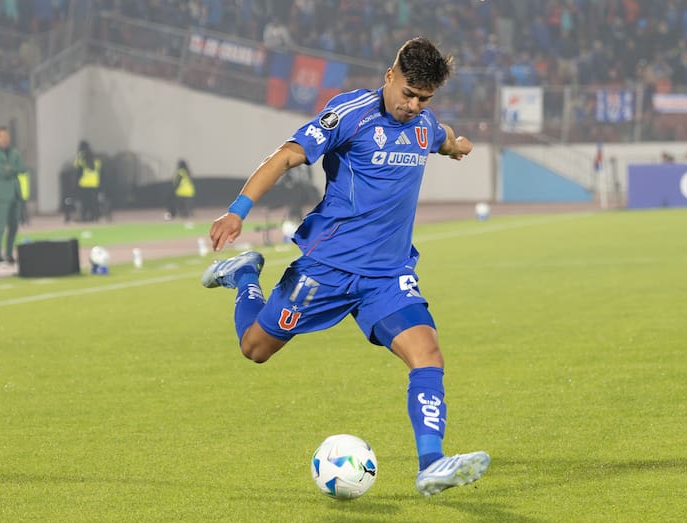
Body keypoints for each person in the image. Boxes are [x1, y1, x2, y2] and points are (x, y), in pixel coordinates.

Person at [202, 37, 490, 497]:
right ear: (389, 76)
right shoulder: (350, 114)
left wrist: (457, 147)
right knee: (255, 348)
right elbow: (286, 155)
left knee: (428, 355)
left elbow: (442, 137)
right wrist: (238, 209)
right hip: (328, 269)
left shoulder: (424, 124)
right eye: (408, 94)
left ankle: (432, 463)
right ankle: (243, 275)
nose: (414, 105)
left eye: (424, 98)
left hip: (388, 276)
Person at [0, 126, 26, 266]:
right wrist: (12, 170)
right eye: (2, 137)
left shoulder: (14, 152)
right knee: (1, 227)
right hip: (2, 193)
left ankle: (8, 254)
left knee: (14, 226)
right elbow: (1, 172)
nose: (5, 139)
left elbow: (23, 168)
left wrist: (11, 169)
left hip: (15, 192)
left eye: (7, 136)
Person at [74, 140, 102, 222]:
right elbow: (99, 170)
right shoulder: (95, 157)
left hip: (84, 183)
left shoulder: (81, 157)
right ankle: (95, 216)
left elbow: (77, 167)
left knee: (84, 202)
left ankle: (84, 217)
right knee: (93, 201)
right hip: (94, 183)